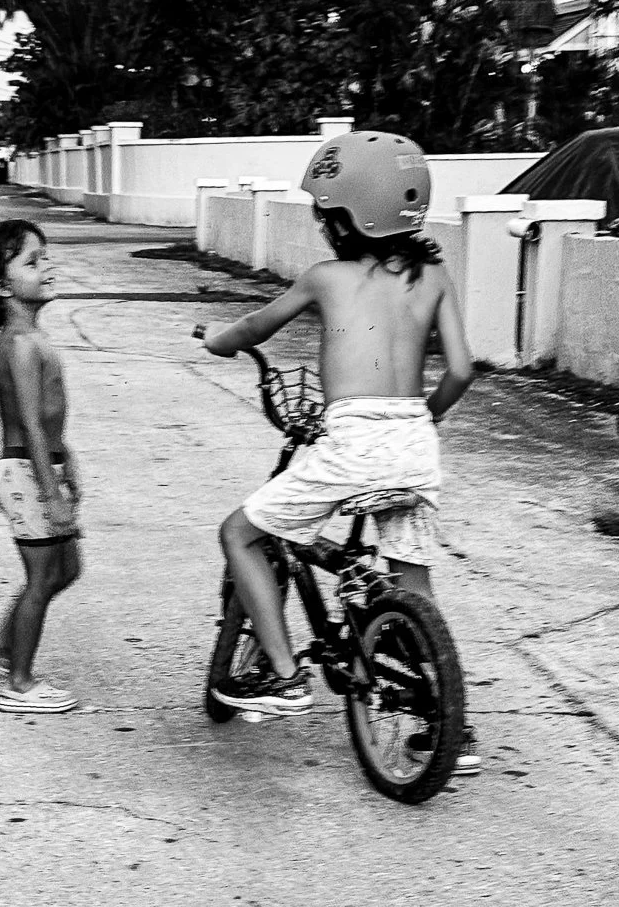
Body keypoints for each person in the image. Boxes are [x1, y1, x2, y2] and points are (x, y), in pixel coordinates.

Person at [200, 129, 481, 774]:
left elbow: (255, 328)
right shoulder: (434, 274)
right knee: (413, 580)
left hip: (353, 440)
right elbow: (461, 371)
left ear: (346, 217)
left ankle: (283, 675)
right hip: (415, 443)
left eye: (326, 213)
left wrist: (220, 340)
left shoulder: (325, 278)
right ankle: (447, 723)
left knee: (241, 533)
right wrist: (423, 420)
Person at [0, 218, 82, 713]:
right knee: (41, 579)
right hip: (29, 476)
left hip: (41, 468)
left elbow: (48, 422)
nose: (46, 267)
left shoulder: (31, 335)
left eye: (44, 256)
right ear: (2, 286)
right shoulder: (21, 343)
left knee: (66, 569)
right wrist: (51, 493)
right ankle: (20, 684)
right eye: (33, 262)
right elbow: (28, 424)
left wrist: (67, 456)